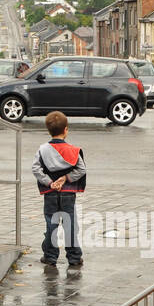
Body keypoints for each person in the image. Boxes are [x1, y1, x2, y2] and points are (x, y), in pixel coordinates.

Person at [32, 111, 87, 268]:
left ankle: (50, 256)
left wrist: (50, 183)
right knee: (70, 224)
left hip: (50, 193)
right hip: (68, 193)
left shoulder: (43, 149)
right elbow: (81, 169)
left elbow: (36, 169)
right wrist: (66, 178)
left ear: (48, 130)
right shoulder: (73, 150)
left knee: (52, 224)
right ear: (66, 130)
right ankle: (74, 257)